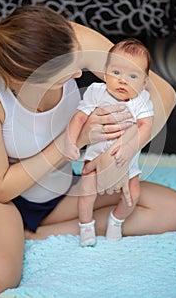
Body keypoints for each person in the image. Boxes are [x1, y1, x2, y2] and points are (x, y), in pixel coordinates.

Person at [0, 4, 176, 296]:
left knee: (171, 210)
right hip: (0, 199)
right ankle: (9, 232)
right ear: (25, 80)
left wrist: (121, 154)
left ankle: (32, 235)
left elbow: (163, 94)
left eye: (77, 62)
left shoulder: (66, 37)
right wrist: (73, 142)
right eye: (65, 73)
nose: (79, 73)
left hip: (55, 192)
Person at [64, 38, 154, 246]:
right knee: (86, 193)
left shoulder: (141, 100)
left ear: (144, 82)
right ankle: (86, 226)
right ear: (105, 74)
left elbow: (145, 126)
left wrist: (130, 148)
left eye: (133, 76)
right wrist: (70, 141)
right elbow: (78, 117)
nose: (123, 81)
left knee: (133, 196)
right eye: (116, 73)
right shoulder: (97, 92)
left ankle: (116, 220)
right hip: (95, 158)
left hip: (127, 161)